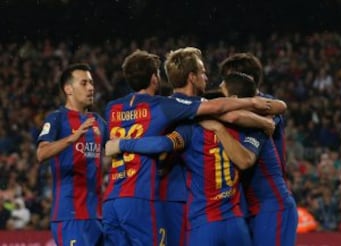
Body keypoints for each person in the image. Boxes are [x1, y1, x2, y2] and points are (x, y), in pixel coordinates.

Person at [102, 49, 276, 246]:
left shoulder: (113, 107)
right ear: (154, 78)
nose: (206, 76)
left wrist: (119, 144)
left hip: (117, 194)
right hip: (165, 198)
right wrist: (256, 107)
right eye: (202, 71)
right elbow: (220, 113)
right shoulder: (167, 107)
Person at [219, 72, 298, 246]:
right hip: (254, 208)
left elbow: (245, 160)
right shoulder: (254, 119)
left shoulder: (258, 123)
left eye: (221, 91)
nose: (217, 99)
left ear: (233, 98)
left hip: (274, 207)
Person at [36, 63, 107, 246]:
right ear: (68, 89)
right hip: (70, 215)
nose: (91, 88)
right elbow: (41, 153)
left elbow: (116, 148)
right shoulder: (56, 118)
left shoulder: (98, 122)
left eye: (91, 83)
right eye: (84, 83)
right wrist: (71, 139)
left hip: (99, 215)